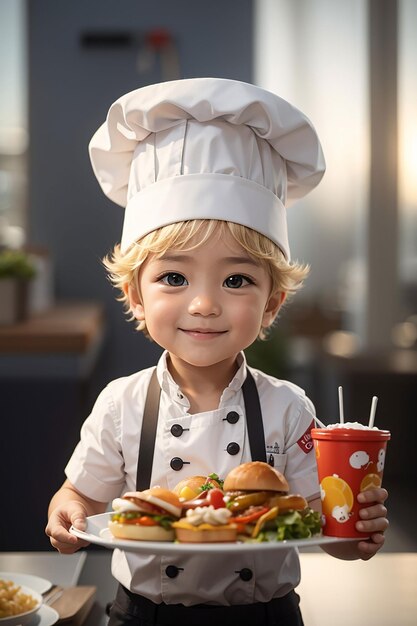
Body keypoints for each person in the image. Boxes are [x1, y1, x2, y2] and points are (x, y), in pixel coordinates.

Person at [46, 78, 389, 626]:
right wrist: (66, 518)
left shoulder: (290, 408)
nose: (204, 304)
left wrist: (357, 531)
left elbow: (327, 531)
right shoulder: (120, 403)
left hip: (265, 616)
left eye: (236, 281)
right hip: (144, 615)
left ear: (272, 303)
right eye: (175, 276)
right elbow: (79, 499)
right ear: (135, 294)